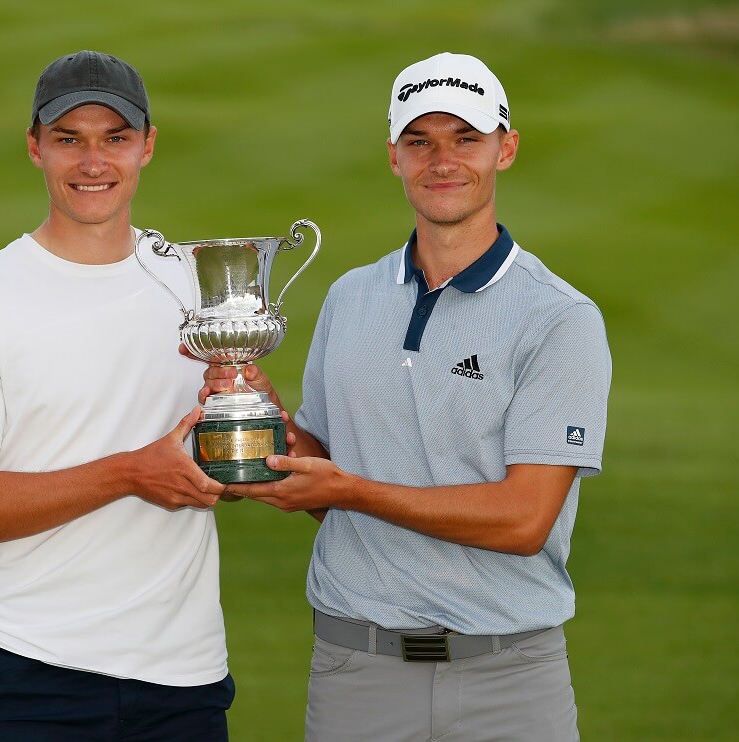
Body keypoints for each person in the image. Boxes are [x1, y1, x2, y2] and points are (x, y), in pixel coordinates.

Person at [204, 52, 611, 741]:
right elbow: (328, 466)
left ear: (505, 149)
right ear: (394, 156)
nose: (441, 160)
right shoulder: (349, 297)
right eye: (420, 140)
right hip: (357, 670)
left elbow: (523, 520)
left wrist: (350, 489)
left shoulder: (559, 316)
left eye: (465, 138)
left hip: (509, 679)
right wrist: (264, 420)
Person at [0, 50, 234, 741]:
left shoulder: (196, 285)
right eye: (70, 139)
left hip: (186, 681)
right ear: (35, 148)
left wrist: (247, 420)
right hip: (28, 676)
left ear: (147, 145)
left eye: (115, 137)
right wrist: (128, 474)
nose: (94, 162)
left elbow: (226, 474)